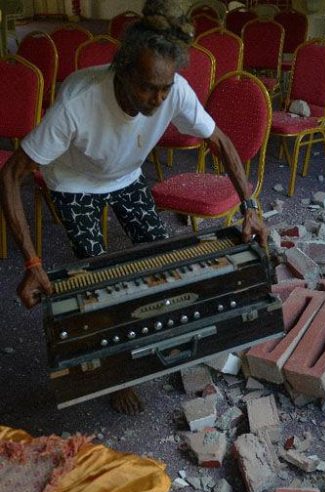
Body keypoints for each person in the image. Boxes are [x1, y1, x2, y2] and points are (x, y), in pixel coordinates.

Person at [0, 0, 268, 415]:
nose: (158, 98)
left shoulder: (173, 89)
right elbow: (10, 174)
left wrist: (250, 206)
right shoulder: (78, 102)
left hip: (125, 174)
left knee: (160, 258)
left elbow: (221, 142)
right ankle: (117, 371)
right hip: (75, 181)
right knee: (98, 278)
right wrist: (32, 261)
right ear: (122, 71)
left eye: (164, 88)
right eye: (147, 87)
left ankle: (162, 343)